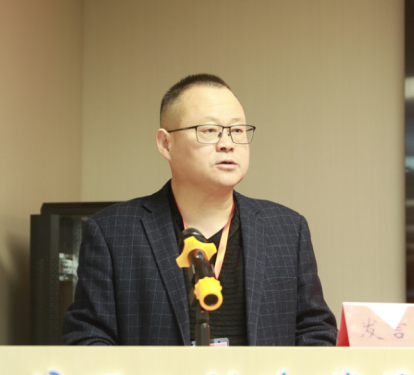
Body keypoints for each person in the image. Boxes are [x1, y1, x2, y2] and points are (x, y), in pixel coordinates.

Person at [62, 74, 337, 346]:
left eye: (237, 130)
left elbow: (315, 330)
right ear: (166, 144)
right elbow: (88, 337)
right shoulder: (114, 232)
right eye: (209, 130)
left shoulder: (287, 229)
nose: (227, 143)